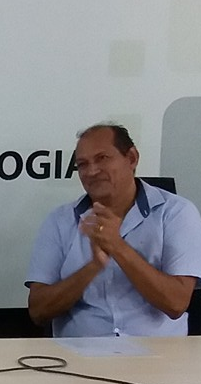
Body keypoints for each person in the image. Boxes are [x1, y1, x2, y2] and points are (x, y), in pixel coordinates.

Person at [26, 124, 201, 336]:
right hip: (79, 351)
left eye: (102, 158)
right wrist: (93, 266)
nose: (91, 171)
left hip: (157, 353)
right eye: (82, 164)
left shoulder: (176, 213)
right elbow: (38, 311)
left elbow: (176, 303)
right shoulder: (60, 220)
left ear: (132, 158)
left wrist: (117, 246)